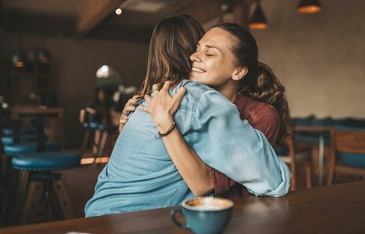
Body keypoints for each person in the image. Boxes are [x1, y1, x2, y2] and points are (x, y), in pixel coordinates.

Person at [84, 15, 290, 217]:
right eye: (196, 48)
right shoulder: (193, 98)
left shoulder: (170, 97)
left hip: (99, 213)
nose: (194, 56)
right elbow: (274, 181)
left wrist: (166, 127)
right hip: (136, 221)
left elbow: (210, 184)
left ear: (238, 71)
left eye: (209, 54)